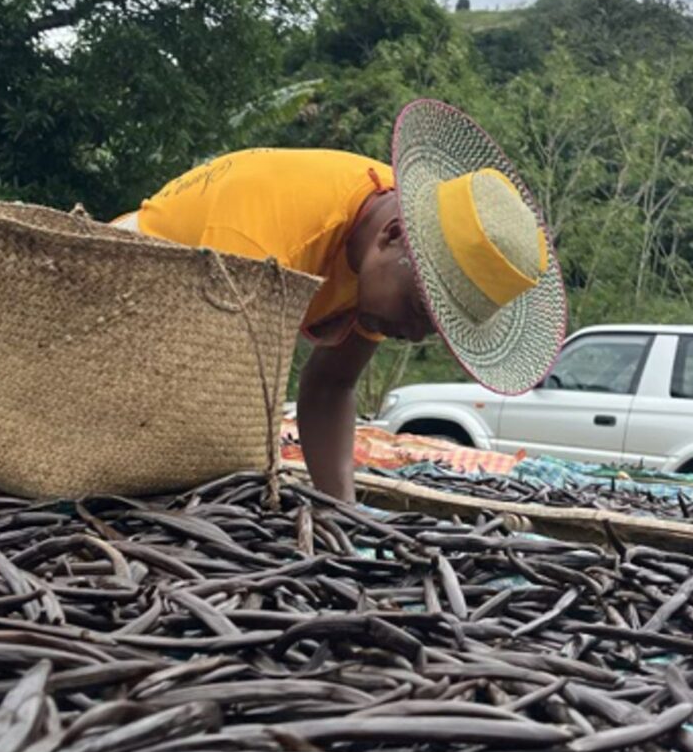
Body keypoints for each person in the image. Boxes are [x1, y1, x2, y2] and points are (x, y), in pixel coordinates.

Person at [118, 99, 566, 500]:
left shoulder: (395, 239)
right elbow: (205, 399)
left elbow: (331, 385)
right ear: (392, 236)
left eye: (434, 326)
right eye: (419, 311)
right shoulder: (267, 244)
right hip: (126, 297)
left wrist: (341, 511)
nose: (413, 336)